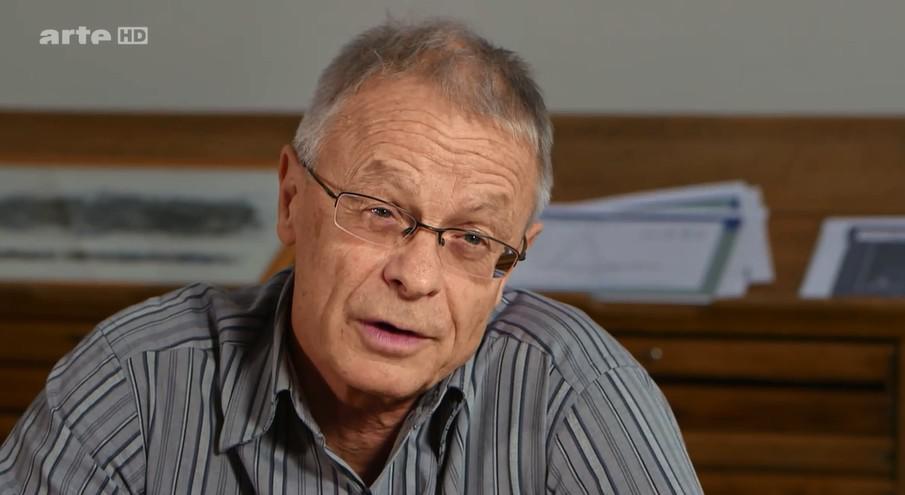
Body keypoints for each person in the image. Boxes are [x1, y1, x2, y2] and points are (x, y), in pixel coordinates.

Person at [0, 19, 702, 494]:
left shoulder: (576, 396)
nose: (415, 278)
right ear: (291, 200)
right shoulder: (136, 385)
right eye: (380, 211)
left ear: (510, 266)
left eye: (472, 238)